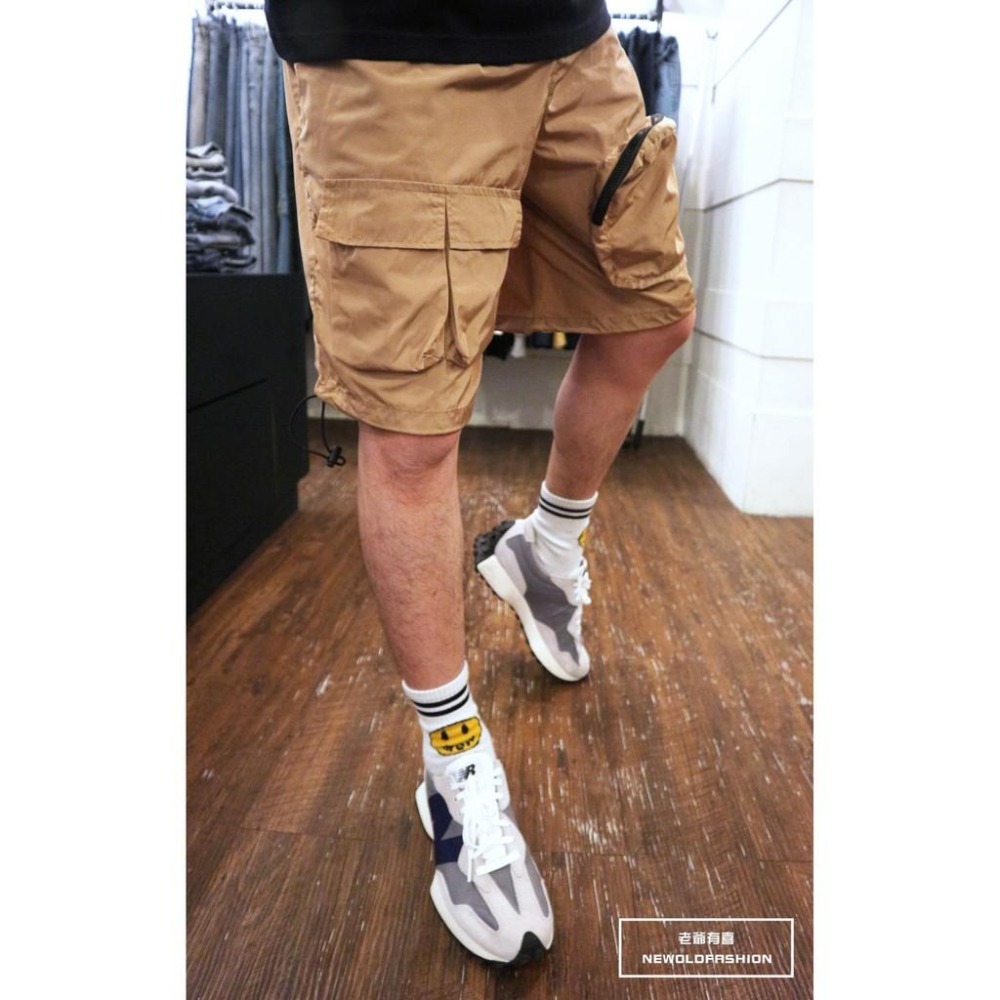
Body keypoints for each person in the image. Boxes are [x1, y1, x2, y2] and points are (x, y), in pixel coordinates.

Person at [265, 0, 696, 967]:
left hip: (568, 35)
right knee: (415, 428)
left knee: (650, 315)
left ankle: (545, 550)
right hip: (393, 46)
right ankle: (453, 762)